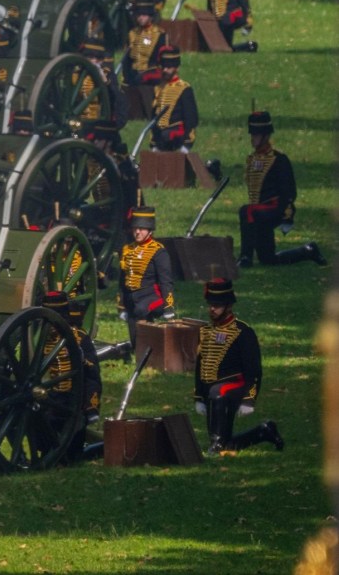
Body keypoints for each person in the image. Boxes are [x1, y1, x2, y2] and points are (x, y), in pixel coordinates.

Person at [194, 277, 284, 456]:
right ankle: (263, 431)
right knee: (229, 443)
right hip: (212, 389)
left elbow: (254, 370)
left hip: (236, 385)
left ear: (228, 307)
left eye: (217, 305)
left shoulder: (243, 332)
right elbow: (200, 367)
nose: (212, 309)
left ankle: (216, 443)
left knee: (217, 393)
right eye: (211, 304)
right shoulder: (205, 332)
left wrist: (249, 399)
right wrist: (198, 396)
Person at [238, 110, 325, 268]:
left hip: (275, 208)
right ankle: (308, 251)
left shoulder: (279, 159)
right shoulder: (252, 159)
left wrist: (287, 213)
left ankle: (245, 257)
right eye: (253, 135)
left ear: (265, 136)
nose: (253, 138)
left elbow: (289, 191)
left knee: (246, 211)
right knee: (268, 259)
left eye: (257, 135)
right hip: (259, 212)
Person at [41, 290, 102, 461]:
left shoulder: (79, 338)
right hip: (51, 397)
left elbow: (92, 376)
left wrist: (91, 407)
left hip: (73, 400)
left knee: (73, 455)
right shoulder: (42, 339)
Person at [118, 206, 175, 347]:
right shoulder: (127, 250)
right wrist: (121, 305)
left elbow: (166, 281)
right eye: (135, 228)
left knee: (140, 310)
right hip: (132, 297)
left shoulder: (158, 251)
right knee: (134, 332)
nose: (137, 232)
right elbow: (122, 280)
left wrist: (169, 307)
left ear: (149, 230)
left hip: (152, 296)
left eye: (142, 228)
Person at [149, 45, 199, 152]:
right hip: (160, 139)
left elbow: (191, 119)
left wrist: (186, 142)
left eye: (169, 67)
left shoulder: (184, 88)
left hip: (178, 138)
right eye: (163, 67)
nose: (165, 70)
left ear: (177, 68)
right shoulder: (158, 89)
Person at [121, 0, 168, 86]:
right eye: (138, 15)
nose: (140, 18)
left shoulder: (159, 35)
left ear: (150, 16)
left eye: (144, 15)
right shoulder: (132, 33)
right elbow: (126, 59)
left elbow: (164, 62)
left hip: (151, 77)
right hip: (132, 75)